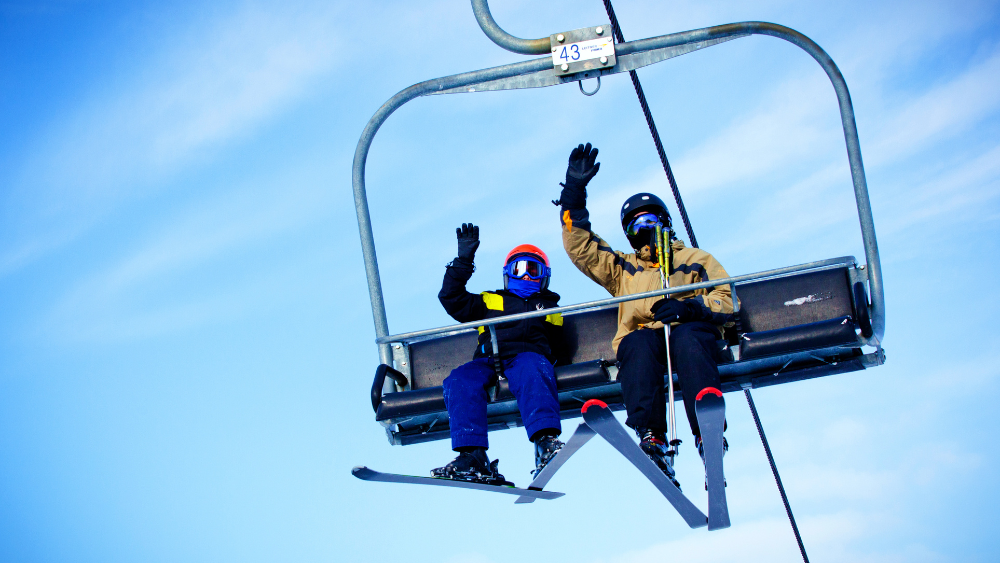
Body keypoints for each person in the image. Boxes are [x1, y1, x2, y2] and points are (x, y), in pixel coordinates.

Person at [554, 143, 734, 485]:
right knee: (636, 343)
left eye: (650, 221)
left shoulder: (695, 259)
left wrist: (691, 307)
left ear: (665, 222)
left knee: (688, 335)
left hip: (687, 332)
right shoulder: (623, 268)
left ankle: (705, 432)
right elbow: (581, 248)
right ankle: (653, 437)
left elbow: (725, 298)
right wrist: (573, 194)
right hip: (645, 342)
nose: (644, 229)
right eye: (636, 225)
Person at [431, 223, 565, 485]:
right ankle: (473, 455)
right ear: (508, 273)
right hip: (489, 359)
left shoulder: (549, 307)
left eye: (533, 270)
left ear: (544, 276)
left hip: (526, 357)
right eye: (519, 269)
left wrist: (549, 363)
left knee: (532, 367)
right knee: (460, 379)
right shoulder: (491, 300)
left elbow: (559, 346)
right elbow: (452, 299)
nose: (526, 276)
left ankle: (544, 441)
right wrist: (463, 261)